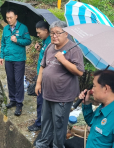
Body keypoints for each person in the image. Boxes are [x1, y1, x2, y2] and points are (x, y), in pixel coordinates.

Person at [35, 20, 85, 148]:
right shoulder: (50, 47)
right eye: (52, 33)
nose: (54, 36)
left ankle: (58, 145)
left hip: (62, 96)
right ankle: (43, 144)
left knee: (59, 124)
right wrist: (39, 82)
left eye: (58, 33)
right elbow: (43, 65)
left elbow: (79, 72)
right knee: (45, 121)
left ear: (66, 33)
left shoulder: (74, 49)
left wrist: (63, 60)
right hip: (47, 93)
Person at [0, 8, 31, 116]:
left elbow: (28, 41)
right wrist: (1, 56)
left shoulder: (23, 28)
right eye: (7, 18)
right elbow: (3, 43)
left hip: (19, 59)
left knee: (18, 81)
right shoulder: (6, 29)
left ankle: (19, 103)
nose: (9, 20)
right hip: (8, 58)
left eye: (11, 17)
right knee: (10, 80)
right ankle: (12, 100)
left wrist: (17, 40)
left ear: (16, 16)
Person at [79, 70, 114, 148]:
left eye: (94, 86)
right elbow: (91, 122)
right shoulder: (102, 107)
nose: (92, 90)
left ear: (105, 88)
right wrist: (86, 103)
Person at [28, 21, 51, 131]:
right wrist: (40, 48)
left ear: (46, 31)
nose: (37, 34)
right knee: (40, 100)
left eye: (39, 32)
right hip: (40, 75)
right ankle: (41, 122)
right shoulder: (45, 41)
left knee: (41, 101)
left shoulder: (51, 42)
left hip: (44, 77)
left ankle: (39, 124)